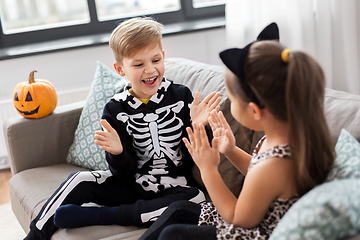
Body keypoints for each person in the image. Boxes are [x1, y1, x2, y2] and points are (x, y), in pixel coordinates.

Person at [24, 17, 221, 240]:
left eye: (155, 60)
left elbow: (195, 158)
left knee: (197, 198)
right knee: (81, 179)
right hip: (133, 184)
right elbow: (123, 173)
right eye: (138, 64)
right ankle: (35, 235)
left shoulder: (182, 96)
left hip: (176, 187)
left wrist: (198, 126)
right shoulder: (115, 108)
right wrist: (117, 153)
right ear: (120, 69)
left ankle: (105, 216)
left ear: (163, 57)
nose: (150, 70)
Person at [139, 22, 335, 240]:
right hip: (255, 222)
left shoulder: (277, 163)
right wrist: (231, 151)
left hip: (256, 233)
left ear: (254, 111)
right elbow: (258, 172)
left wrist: (208, 169)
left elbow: (238, 217)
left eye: (232, 100)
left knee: (173, 235)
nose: (229, 105)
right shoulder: (287, 136)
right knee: (178, 210)